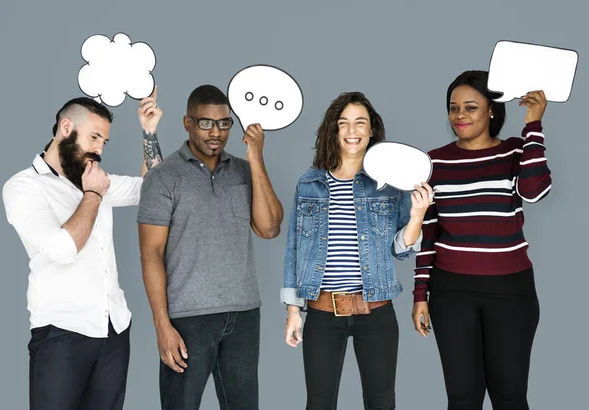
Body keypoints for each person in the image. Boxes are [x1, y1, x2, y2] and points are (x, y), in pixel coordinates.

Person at [2, 91, 164, 410]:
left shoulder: (94, 180)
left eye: (104, 141)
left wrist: (149, 131)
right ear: (66, 128)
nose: (99, 149)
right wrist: (93, 194)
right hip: (62, 331)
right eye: (94, 137)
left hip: (113, 328)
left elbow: (155, 190)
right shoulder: (24, 187)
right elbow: (62, 249)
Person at [282, 91, 433, 409]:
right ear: (333, 130)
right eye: (344, 123)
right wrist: (293, 311)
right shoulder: (309, 183)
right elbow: (294, 248)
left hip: (376, 312)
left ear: (371, 130)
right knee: (319, 402)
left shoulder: (391, 184)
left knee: (381, 402)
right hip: (323, 312)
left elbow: (401, 249)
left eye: (360, 123)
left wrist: (418, 216)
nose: (352, 131)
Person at [137, 84, 284, 410]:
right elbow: (151, 254)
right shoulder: (163, 177)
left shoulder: (245, 171)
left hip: (243, 314)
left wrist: (256, 159)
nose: (216, 132)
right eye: (205, 123)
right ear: (188, 124)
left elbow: (269, 227)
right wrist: (162, 325)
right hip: (188, 319)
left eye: (224, 123)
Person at [412, 70, 550, 409]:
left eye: (471, 107)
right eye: (453, 107)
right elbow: (428, 233)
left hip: (511, 292)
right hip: (451, 292)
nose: (460, 115)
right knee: (462, 397)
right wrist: (420, 295)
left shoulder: (515, 152)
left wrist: (533, 124)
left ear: (491, 110)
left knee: (510, 397)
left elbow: (535, 191)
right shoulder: (434, 162)